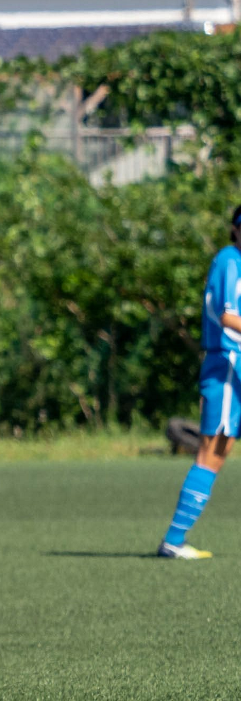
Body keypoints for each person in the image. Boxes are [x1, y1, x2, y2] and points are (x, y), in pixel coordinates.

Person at [157, 205, 241, 559]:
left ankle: (174, 541)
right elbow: (227, 314)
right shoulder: (229, 259)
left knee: (220, 454)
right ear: (235, 229)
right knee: (210, 452)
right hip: (226, 365)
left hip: (233, 367)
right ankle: (173, 541)